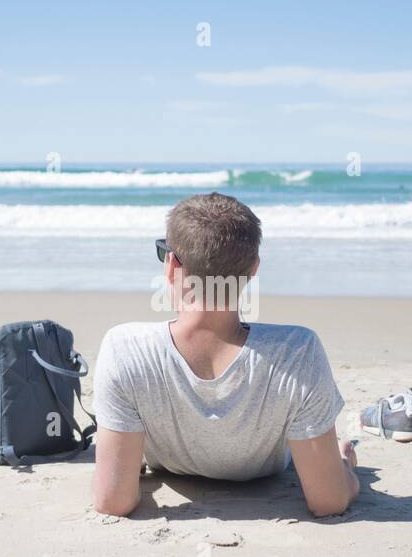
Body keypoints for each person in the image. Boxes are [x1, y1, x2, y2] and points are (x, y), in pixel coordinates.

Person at [91, 192, 359, 518]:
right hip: (264, 475)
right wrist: (346, 468)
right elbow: (329, 501)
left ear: (173, 264)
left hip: (168, 469)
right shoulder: (297, 350)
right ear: (253, 269)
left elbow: (112, 502)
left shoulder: (125, 348)